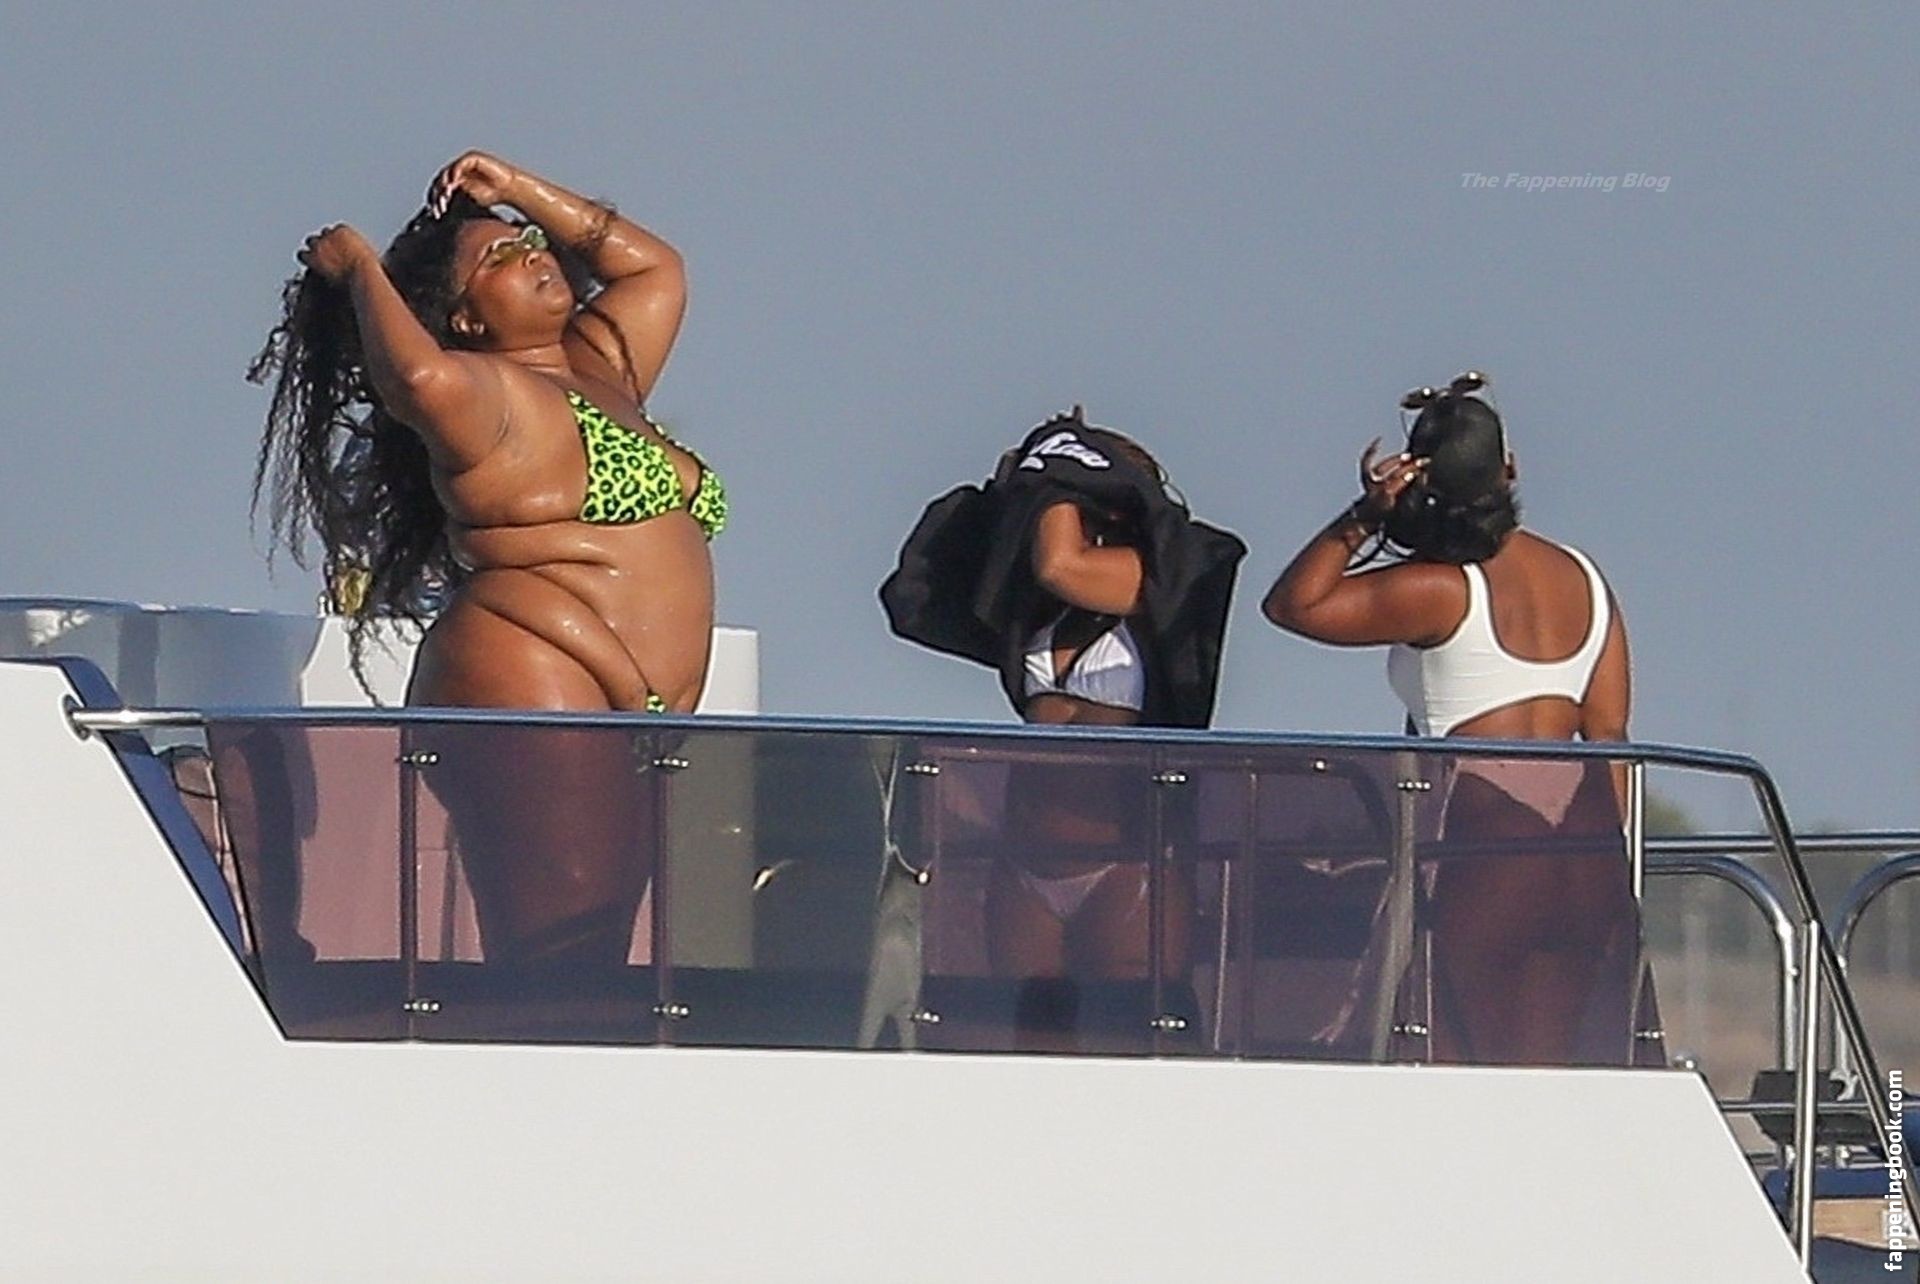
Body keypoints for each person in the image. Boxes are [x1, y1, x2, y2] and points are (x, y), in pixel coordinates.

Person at [251, 151, 723, 968]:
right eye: (500, 257)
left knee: (594, 949)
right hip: (536, 668)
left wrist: (517, 189)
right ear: (465, 319)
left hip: (627, 705)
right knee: (561, 957)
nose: (533, 253)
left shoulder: (601, 372)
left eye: (529, 242)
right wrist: (361, 270)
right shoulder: (484, 398)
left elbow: (656, 270)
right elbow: (416, 378)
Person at [1262, 373, 1642, 1065]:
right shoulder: (1586, 579)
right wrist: (1615, 868)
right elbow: (1609, 738)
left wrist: (1364, 516)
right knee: (1547, 1076)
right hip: (1585, 852)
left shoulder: (1440, 589)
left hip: (1485, 841)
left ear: (1417, 480)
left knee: (1449, 1061)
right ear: (1510, 468)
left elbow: (1293, 605)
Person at [882, 409, 1245, 1007]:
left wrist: (1055, 469)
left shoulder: (1151, 575)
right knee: (1031, 1033)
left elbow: (1061, 565)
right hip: (1026, 860)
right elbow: (914, 597)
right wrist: (1013, 493)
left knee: (1129, 1028)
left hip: (1128, 861)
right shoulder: (1033, 606)